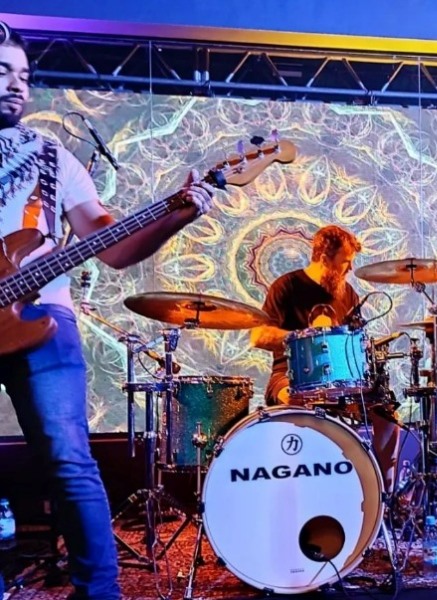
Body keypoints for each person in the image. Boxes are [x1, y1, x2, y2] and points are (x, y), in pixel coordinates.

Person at [0, 26, 216, 600]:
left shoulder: (51, 155)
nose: (17, 85)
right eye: (2, 72)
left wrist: (176, 217)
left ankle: (100, 592)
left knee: (68, 457)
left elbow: (112, 245)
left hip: (42, 315)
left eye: (23, 76)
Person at [250, 225, 400, 492]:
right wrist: (307, 337)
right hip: (289, 376)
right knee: (294, 400)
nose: (350, 269)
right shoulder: (287, 286)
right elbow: (258, 336)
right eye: (345, 262)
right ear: (323, 258)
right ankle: (297, 488)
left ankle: (383, 492)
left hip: (341, 381)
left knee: (386, 414)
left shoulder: (348, 293)